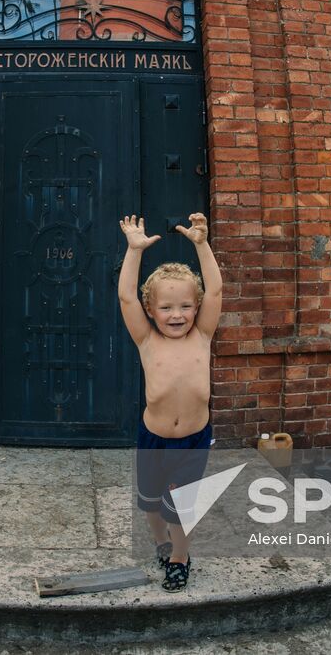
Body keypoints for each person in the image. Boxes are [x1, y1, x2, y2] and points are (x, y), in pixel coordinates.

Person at [117, 212, 222, 592]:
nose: (176, 315)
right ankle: (161, 543)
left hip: (193, 440)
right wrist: (134, 250)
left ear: (196, 307)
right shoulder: (147, 340)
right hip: (153, 437)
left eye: (185, 307)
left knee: (179, 504)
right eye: (166, 307)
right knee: (150, 503)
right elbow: (126, 295)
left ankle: (180, 556)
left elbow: (216, 291)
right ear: (151, 310)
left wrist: (201, 243)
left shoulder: (203, 335)